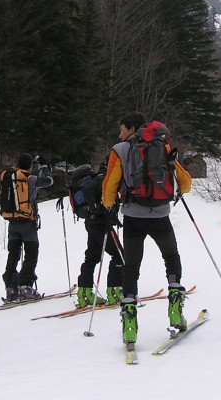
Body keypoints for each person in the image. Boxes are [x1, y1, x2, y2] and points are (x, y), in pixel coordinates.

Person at [101, 112, 192, 345]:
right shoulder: (163, 145)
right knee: (171, 256)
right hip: (160, 215)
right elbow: (185, 182)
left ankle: (129, 323)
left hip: (133, 216)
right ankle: (175, 306)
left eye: (122, 129)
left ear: (132, 129)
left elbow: (109, 186)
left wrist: (109, 205)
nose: (119, 134)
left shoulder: (120, 150)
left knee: (131, 266)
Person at [70, 163, 124, 308]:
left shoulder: (92, 180)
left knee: (92, 257)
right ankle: (114, 291)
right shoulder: (100, 179)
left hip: (91, 222)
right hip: (101, 223)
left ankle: (84, 293)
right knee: (119, 254)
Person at [1, 153, 53, 301]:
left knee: (13, 255)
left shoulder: (11, 178)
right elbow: (49, 181)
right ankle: (25, 286)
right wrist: (43, 166)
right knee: (31, 254)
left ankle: (11, 287)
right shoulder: (30, 179)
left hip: (12, 223)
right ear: (30, 166)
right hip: (27, 224)